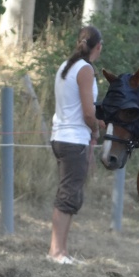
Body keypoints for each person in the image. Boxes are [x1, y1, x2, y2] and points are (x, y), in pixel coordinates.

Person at [47, 26, 104, 265]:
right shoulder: (85, 70)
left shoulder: (66, 66)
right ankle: (56, 252)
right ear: (98, 47)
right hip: (74, 139)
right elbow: (88, 113)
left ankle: (60, 250)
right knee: (69, 195)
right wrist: (98, 128)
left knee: (68, 193)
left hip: (60, 136)